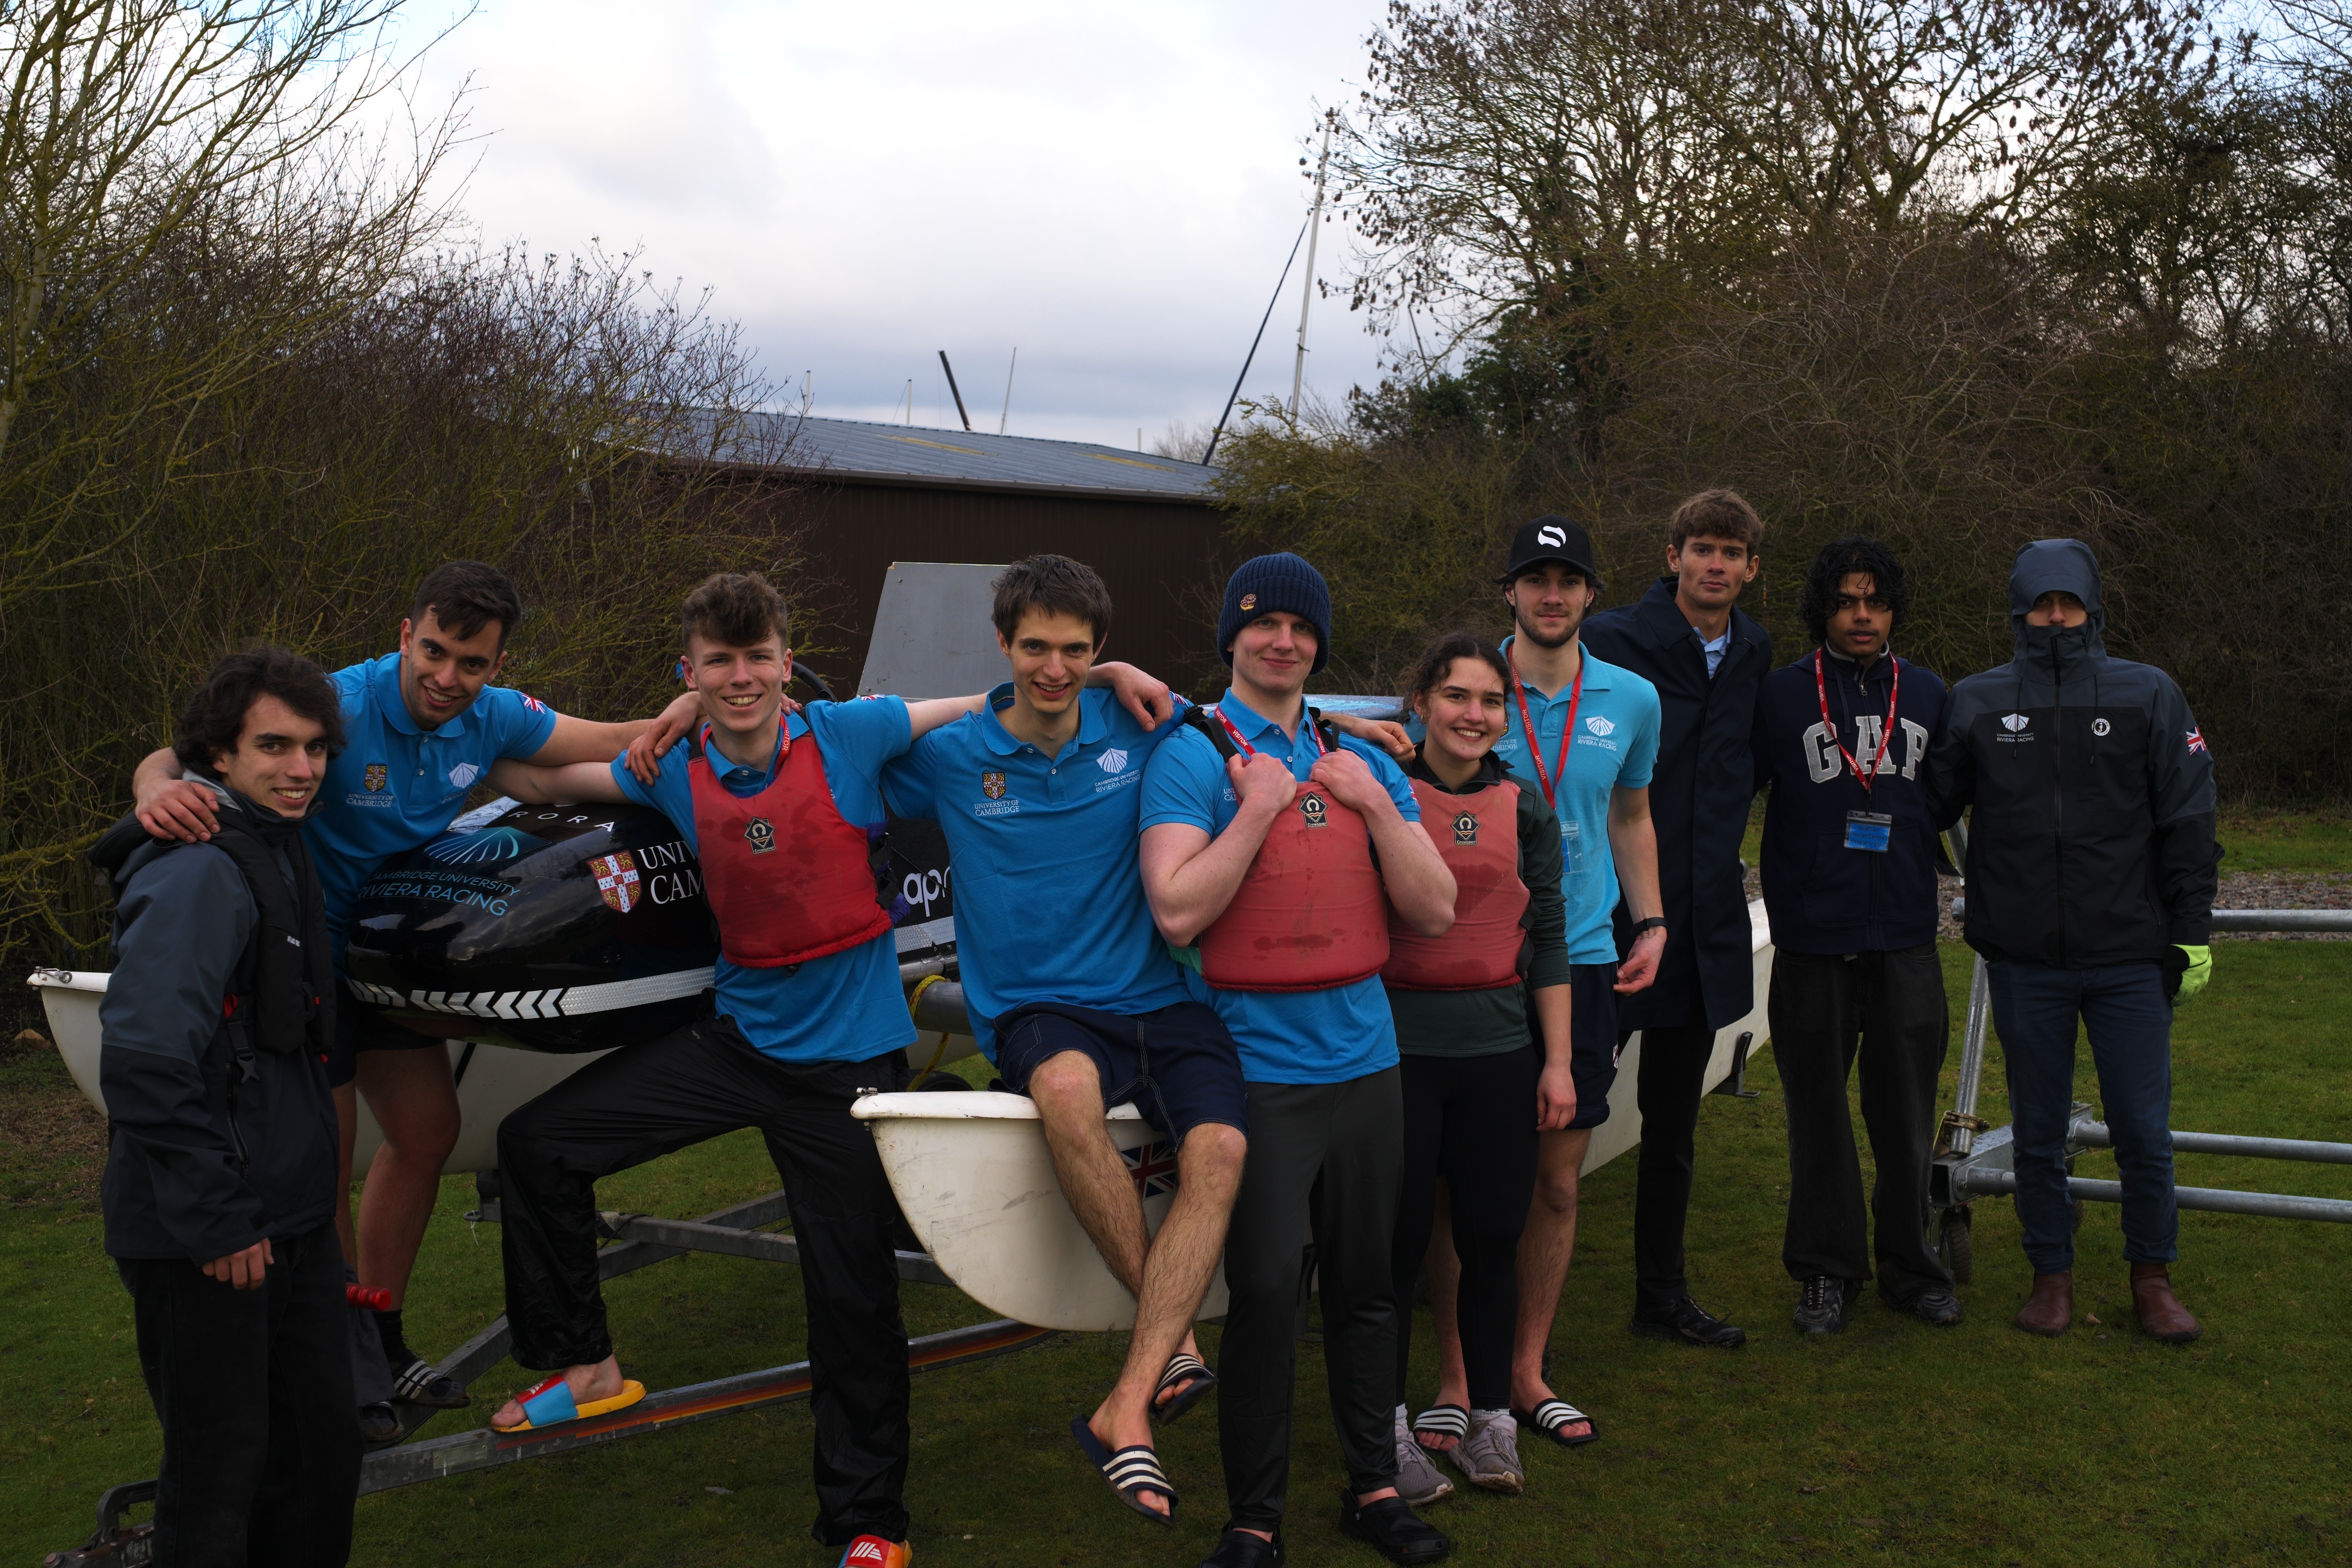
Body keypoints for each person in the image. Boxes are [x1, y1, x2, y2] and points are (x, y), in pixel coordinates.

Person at [482, 572, 1170, 1566]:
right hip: (739, 1045)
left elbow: (997, 698)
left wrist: (1107, 670)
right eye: (719, 663)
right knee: (538, 1144)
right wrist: (460, 744)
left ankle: (868, 1526)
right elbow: (544, 782)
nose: (742, 677)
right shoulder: (672, 767)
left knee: (851, 1304)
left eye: (758, 658)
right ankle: (584, 1365)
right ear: (690, 672)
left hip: (847, 1067)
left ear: (786, 663)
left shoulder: (852, 733)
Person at [127, 561, 702, 1416]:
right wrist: (153, 787)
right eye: (433, 651)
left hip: (391, 949)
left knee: (428, 1133)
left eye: (472, 663)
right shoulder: (338, 702)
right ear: (406, 635)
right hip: (304, 956)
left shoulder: (494, 715)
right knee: (325, 1159)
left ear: (497, 665)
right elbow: (184, 752)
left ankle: (383, 1334)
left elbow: (607, 741)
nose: (447, 678)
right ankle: (336, 1356)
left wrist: (693, 709)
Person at [880, 554, 1249, 1525]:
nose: (1055, 668)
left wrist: (1367, 733)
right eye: (1036, 647)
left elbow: (1249, 722)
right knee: (1069, 1093)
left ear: (1100, 650)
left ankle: (1128, 1397)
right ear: (1002, 644)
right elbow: (833, 758)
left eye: (1078, 651)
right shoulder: (951, 754)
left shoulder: (1140, 724)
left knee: (1223, 1148)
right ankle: (1172, 1346)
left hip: (1161, 997)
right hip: (1040, 1009)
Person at [1140, 552, 1459, 1568]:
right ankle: (1255, 1518)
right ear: (1232, 637)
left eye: (1302, 628)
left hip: (1366, 1060)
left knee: (1367, 1286)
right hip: (1259, 1066)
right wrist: (1260, 807)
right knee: (1270, 1293)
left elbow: (1435, 907)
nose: (1283, 642)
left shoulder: (1354, 756)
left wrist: (1375, 804)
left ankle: (1374, 1489)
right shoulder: (1193, 755)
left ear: (1320, 643)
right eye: (1263, 624)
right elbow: (1177, 908)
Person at [92, 648, 360, 1566]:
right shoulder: (199, 874)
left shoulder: (279, 843)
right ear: (218, 757)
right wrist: (217, 1218)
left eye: (315, 748)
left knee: (318, 1461)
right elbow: (144, 1061)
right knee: (219, 1486)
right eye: (275, 747)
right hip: (209, 1235)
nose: (301, 768)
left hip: (288, 1221)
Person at [1411, 516, 1663, 1466]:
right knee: (1454, 1187)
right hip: (1470, 964)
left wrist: (1653, 922)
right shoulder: (1472, 689)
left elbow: (1632, 814)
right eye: (1534, 578)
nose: (1551, 595)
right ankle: (1455, 1378)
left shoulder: (1633, 698)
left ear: (1593, 593)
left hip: (1582, 958)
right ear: (1510, 591)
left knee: (1555, 1184)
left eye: (1569, 580)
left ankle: (1524, 1372)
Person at [1928, 539, 2218, 1344]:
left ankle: (2152, 1278)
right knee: (2038, 1131)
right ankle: (2049, 1274)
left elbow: (2191, 819)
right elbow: (1931, 805)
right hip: (2025, 961)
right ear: (2018, 611)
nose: (2055, 616)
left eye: (2069, 602)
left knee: (2142, 1132)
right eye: (2041, 603)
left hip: (2130, 958)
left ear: (2092, 608)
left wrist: (2191, 933)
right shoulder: (1978, 700)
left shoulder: (2148, 692)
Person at [1380, 632, 1576, 1507]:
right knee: (1392, 1249)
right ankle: (1385, 1426)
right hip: (1394, 1054)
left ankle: (1491, 1417)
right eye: (1456, 696)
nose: (1474, 714)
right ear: (1421, 702)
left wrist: (1558, 1062)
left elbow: (1551, 936)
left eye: (1491, 701)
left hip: (1498, 1050)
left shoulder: (1523, 805)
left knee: (1493, 1240)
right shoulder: (1379, 789)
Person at [1751, 537, 1960, 1335]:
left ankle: (1912, 1268)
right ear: (1824, 611)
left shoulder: (1932, 694)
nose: (1862, 615)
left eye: (1875, 601)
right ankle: (1826, 1271)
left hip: (1905, 934)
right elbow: (1733, 790)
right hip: (1813, 937)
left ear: (1894, 609)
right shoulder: (1781, 697)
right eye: (1845, 602)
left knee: (1906, 1114)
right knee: (1818, 1115)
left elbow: (1945, 798)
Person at [1580, 489, 1773, 1348]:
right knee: (1554, 1104)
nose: (1715, 565)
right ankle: (1470, 1275)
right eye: (1702, 548)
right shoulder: (1610, 640)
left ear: (1751, 568)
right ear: (1673, 557)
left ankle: (1661, 1295)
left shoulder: (1755, 651)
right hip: (1608, 916)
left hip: (1701, 920)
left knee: (1673, 1124)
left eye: (1731, 553)